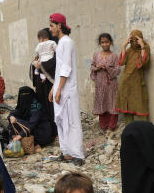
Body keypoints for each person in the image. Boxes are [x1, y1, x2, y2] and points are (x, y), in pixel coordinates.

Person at [48, 13, 84, 161]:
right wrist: (53, 89)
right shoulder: (61, 43)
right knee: (61, 121)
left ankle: (78, 155)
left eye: (52, 26)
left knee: (72, 121)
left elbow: (66, 69)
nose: (50, 29)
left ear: (59, 25)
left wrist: (59, 89)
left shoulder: (67, 42)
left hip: (67, 90)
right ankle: (66, 153)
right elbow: (59, 70)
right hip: (60, 88)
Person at [115, 30, 150, 123]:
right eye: (132, 40)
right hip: (126, 82)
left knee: (141, 105)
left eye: (137, 40)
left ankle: (144, 131)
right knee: (127, 105)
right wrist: (123, 46)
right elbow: (122, 62)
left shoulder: (145, 48)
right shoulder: (129, 50)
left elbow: (142, 64)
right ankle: (129, 130)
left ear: (141, 39)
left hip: (138, 82)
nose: (134, 42)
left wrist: (142, 47)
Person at [90, 33, 121, 132]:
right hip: (100, 84)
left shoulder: (114, 56)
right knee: (101, 102)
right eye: (102, 42)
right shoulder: (96, 55)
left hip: (111, 84)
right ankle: (103, 125)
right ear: (100, 44)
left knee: (112, 103)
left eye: (107, 42)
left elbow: (118, 70)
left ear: (110, 43)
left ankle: (112, 126)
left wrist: (108, 69)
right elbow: (92, 67)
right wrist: (97, 68)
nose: (105, 44)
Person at [31, 28, 57, 128]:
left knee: (52, 106)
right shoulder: (41, 50)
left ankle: (55, 128)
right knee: (43, 105)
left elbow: (54, 63)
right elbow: (35, 61)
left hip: (50, 84)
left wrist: (40, 65)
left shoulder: (54, 51)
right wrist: (34, 63)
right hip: (41, 84)